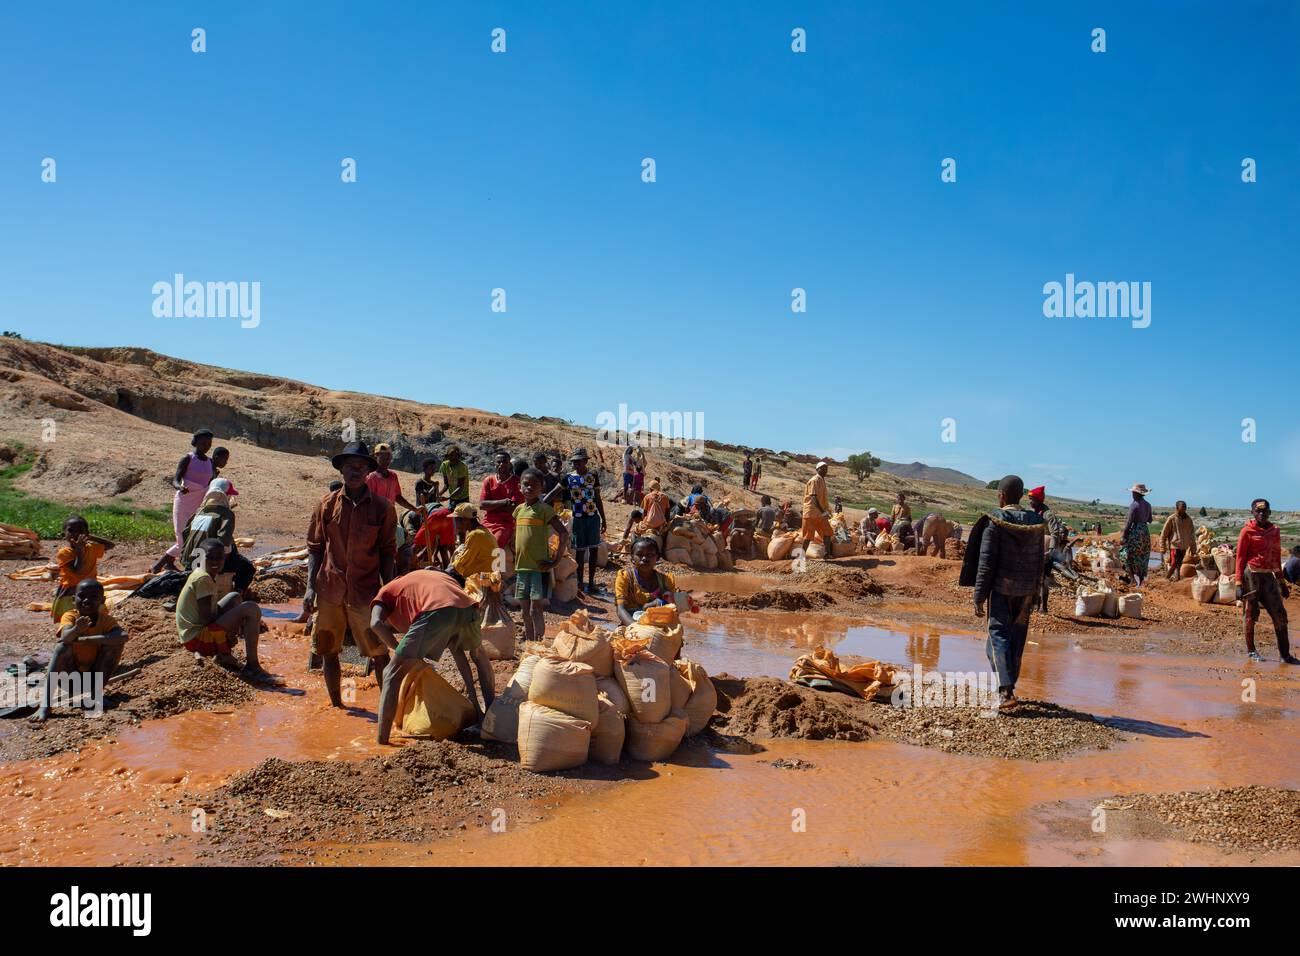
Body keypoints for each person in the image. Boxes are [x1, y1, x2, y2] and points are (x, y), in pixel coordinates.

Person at [305, 441, 396, 707]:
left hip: (366, 593)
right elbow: (315, 548)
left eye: (360, 467)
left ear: (368, 470)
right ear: (341, 471)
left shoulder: (383, 509)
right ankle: (338, 707)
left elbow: (388, 552)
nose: (355, 472)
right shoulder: (325, 505)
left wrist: (388, 590)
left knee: (378, 652)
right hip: (330, 590)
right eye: (349, 467)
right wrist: (310, 587)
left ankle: (387, 709)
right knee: (328, 651)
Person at [372, 570, 495, 744]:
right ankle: (489, 719)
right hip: (468, 608)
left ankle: (381, 741)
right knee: (479, 656)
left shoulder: (384, 593)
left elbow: (375, 623)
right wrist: (472, 697)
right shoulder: (420, 579)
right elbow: (458, 652)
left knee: (390, 674)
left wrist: (396, 648)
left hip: (436, 610)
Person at [961, 475, 1045, 711]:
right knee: (1016, 638)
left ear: (1002, 496)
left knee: (997, 636)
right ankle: (1008, 687)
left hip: (1001, 589)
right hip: (1027, 590)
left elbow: (986, 563)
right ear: (1020, 496)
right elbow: (1040, 562)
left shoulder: (995, 521)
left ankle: (1005, 691)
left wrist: (978, 596)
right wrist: (1036, 592)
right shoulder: (1035, 523)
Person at [30, 579, 129, 723]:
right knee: (62, 647)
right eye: (82, 596)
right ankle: (45, 705)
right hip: (69, 680)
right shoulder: (70, 616)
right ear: (73, 599)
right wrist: (77, 629)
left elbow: (123, 636)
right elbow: (65, 637)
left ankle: (95, 696)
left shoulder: (106, 620)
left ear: (103, 600)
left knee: (116, 644)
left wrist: (88, 639)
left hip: (94, 678)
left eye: (94, 597)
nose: (87, 600)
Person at [176, 539, 270, 680]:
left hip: (191, 634)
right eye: (210, 557)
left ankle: (224, 654)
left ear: (224, 559)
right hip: (196, 639)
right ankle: (252, 666)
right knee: (251, 608)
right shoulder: (203, 578)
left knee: (235, 597)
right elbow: (206, 619)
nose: (215, 561)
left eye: (219, 558)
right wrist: (232, 628)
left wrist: (232, 620)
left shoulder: (202, 573)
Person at [1235, 498, 1298, 664]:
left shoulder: (1275, 531)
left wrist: (1282, 583)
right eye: (1258, 511)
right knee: (1250, 614)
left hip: (1268, 576)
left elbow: (1276, 558)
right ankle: (1251, 651)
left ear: (1270, 512)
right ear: (1253, 513)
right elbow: (1240, 558)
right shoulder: (1247, 531)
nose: (1262, 514)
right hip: (1252, 575)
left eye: (1265, 511)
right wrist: (1238, 584)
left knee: (1280, 615)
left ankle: (1285, 655)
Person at [515, 468, 570, 644]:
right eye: (526, 484)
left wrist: (555, 561)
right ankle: (529, 642)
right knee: (524, 610)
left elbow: (563, 534)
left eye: (534, 485)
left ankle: (539, 643)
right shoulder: (518, 511)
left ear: (542, 487)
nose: (530, 488)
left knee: (536, 609)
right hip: (521, 567)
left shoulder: (545, 509)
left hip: (539, 568)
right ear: (520, 487)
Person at [152, 429, 217, 572]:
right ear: (196, 443)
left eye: (209, 443)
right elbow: (175, 479)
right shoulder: (188, 458)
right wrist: (180, 488)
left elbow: (211, 482)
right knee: (182, 538)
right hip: (184, 501)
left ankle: (172, 565)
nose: (206, 446)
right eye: (203, 443)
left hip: (200, 504)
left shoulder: (210, 462)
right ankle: (156, 566)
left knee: (194, 536)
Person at [545, 448, 606, 595]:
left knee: (594, 550)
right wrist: (541, 503)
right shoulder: (568, 478)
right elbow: (554, 493)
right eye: (574, 462)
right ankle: (579, 584)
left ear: (586, 461)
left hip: (593, 518)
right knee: (579, 552)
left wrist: (604, 519)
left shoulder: (593, 476)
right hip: (578, 519)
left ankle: (591, 583)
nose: (576, 464)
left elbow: (597, 498)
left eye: (579, 461)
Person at [178, 478, 255, 594]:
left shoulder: (198, 512)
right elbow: (224, 541)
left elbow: (185, 534)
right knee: (248, 568)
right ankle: (237, 595)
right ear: (225, 496)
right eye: (229, 495)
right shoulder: (226, 514)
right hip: (208, 562)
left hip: (189, 562)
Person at [50, 515, 115, 622]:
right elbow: (78, 570)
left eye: (80, 531)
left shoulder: (91, 547)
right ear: (63, 535)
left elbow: (111, 545)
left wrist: (90, 537)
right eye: (71, 530)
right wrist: (79, 551)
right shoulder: (65, 553)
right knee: (71, 619)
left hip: (91, 590)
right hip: (72, 593)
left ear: (86, 534)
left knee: (94, 618)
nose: (76, 534)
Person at [615, 537, 678, 626]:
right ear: (632, 558)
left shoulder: (666, 580)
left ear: (657, 558)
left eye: (650, 555)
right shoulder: (625, 577)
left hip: (659, 624)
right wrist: (636, 628)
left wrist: (658, 603)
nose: (644, 558)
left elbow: (673, 609)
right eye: (640, 555)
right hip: (630, 624)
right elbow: (620, 610)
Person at [479, 451, 524, 551]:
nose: (501, 464)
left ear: (510, 464)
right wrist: (504, 501)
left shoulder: (516, 482)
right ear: (494, 464)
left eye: (504, 462)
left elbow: (513, 508)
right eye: (498, 462)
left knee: (495, 546)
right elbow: (482, 505)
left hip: (506, 524)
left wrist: (491, 505)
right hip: (487, 521)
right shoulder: (489, 480)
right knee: (474, 541)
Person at [449, 503, 498, 583]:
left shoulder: (475, 535)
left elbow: (460, 563)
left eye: (457, 521)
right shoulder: (484, 531)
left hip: (483, 581)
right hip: (489, 577)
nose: (456, 525)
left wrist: (442, 572)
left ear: (466, 520)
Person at [365, 443, 419, 513]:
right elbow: (367, 501)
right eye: (382, 458)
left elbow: (398, 497)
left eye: (388, 458)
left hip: (389, 516)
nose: (386, 460)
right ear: (376, 457)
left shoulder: (393, 476)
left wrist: (414, 509)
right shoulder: (371, 478)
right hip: (376, 518)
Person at [1120, 483, 1154, 587]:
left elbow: (1129, 522)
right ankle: (1141, 581)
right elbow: (1150, 520)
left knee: (1126, 555)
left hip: (1135, 532)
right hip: (1144, 532)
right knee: (1142, 556)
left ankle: (1132, 580)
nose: (1132, 494)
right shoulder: (1148, 505)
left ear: (1136, 493)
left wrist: (1124, 535)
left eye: (1133, 493)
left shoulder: (1134, 504)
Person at [1159, 500, 1196, 580]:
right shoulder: (1172, 519)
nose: (1184, 508)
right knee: (1174, 563)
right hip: (1174, 545)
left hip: (1184, 546)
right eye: (1182, 507)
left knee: (1179, 563)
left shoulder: (1188, 520)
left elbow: (1192, 535)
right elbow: (1164, 534)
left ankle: (1177, 578)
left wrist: (1193, 548)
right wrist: (1162, 546)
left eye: (1185, 507)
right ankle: (1166, 578)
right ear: (1177, 508)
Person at [413, 504, 455, 569]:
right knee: (446, 547)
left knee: (416, 544)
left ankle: (410, 565)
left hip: (436, 515)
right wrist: (435, 554)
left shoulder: (417, 515)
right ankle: (450, 570)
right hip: (448, 514)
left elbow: (431, 543)